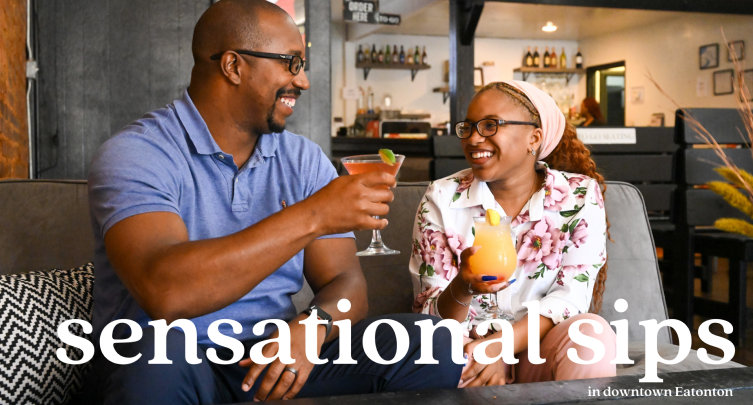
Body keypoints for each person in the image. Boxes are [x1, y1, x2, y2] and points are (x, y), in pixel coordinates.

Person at [81, 1, 461, 403]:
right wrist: (315, 215)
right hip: (169, 364)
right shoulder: (139, 153)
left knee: (433, 341)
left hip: (270, 362)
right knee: (158, 350)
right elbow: (166, 293)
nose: (304, 81)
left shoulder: (303, 159)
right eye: (291, 63)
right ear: (233, 66)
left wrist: (314, 325)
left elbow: (347, 285)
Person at [410, 81, 616, 387]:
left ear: (534, 137)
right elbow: (431, 312)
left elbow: (571, 298)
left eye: (491, 125)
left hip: (540, 348)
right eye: (468, 127)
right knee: (439, 355)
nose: (474, 138)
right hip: (466, 351)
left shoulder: (579, 196)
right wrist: (463, 287)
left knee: (592, 334)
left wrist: (501, 346)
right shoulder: (442, 197)